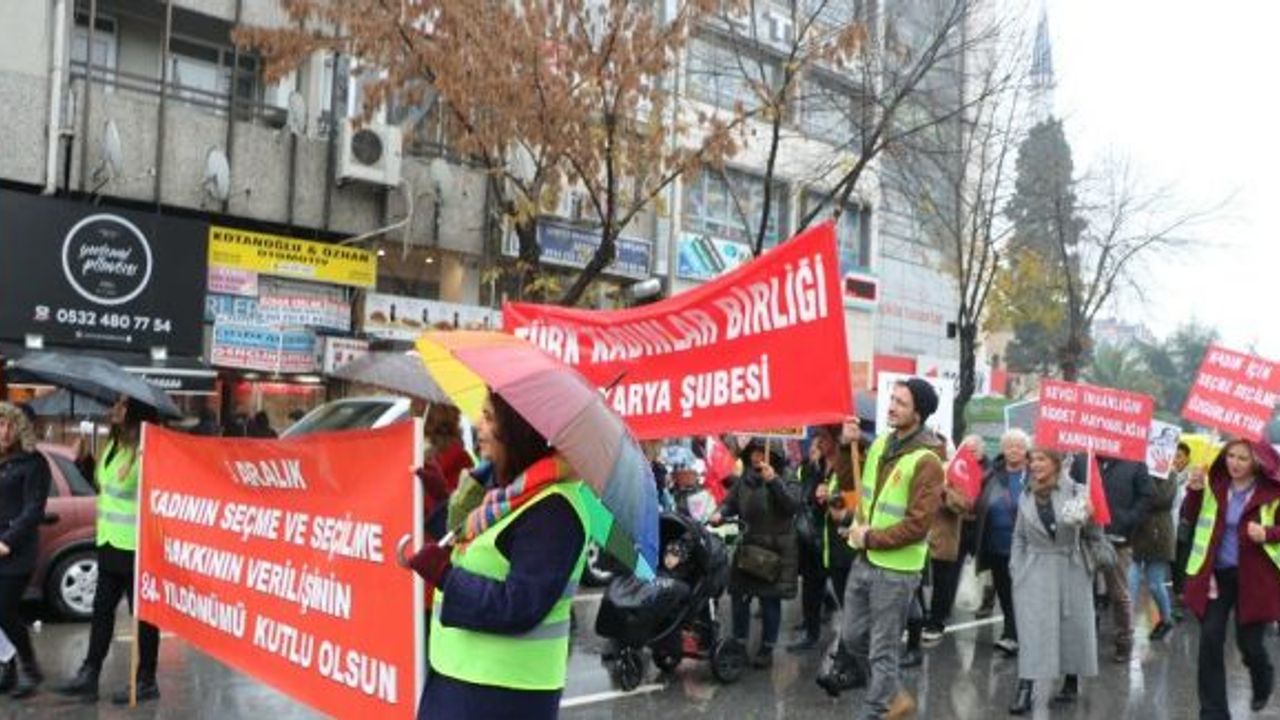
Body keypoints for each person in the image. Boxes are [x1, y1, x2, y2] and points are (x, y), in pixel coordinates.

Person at [404, 392, 590, 720]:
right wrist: (439, 505)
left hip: (500, 697)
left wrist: (444, 575)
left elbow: (519, 605)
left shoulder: (554, 510)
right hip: (463, 683)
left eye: (490, 418)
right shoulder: (512, 494)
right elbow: (475, 550)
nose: (479, 426)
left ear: (519, 430)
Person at [818, 378, 943, 719]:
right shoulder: (881, 444)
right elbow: (847, 485)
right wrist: (846, 446)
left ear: (918, 414)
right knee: (854, 637)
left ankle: (875, 711)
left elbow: (918, 526)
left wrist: (869, 537)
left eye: (901, 403)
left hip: (897, 569)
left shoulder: (927, 460)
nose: (891, 406)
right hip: (865, 558)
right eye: (892, 399)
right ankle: (895, 695)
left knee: (882, 649)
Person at [57, 396, 163, 704]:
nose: (113, 410)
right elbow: (104, 488)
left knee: (143, 617)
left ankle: (146, 680)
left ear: (135, 413)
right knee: (101, 612)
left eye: (120, 405)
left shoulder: (147, 451)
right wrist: (84, 461)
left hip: (136, 547)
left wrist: (147, 464)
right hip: (108, 544)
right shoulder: (113, 447)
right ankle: (90, 673)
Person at [1182, 439, 1280, 719]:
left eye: (1242, 459)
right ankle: (1213, 711)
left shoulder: (1273, 492)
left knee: (1249, 644)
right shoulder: (1216, 485)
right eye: (1231, 456)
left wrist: (1267, 533)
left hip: (1256, 579)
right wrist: (1194, 490)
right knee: (1210, 640)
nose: (1234, 463)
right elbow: (1190, 515)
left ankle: (1263, 676)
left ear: (1257, 463)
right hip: (1217, 575)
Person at [1008, 447, 1099, 715]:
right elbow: (1019, 537)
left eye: (1041, 459)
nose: (1034, 465)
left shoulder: (1078, 491)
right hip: (1034, 569)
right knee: (1032, 629)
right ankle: (1025, 686)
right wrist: (1017, 566)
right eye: (1032, 459)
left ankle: (1071, 678)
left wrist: (1090, 515)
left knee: (1070, 627)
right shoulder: (1026, 493)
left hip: (1070, 568)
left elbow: (1095, 535)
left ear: (1057, 463)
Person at [711, 438, 799, 669]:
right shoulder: (745, 479)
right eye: (754, 452)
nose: (757, 457)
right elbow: (730, 502)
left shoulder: (787, 476)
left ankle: (767, 647)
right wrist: (720, 513)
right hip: (748, 547)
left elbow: (793, 506)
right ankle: (739, 642)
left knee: (770, 600)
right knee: (738, 596)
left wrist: (774, 482)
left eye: (762, 452)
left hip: (774, 549)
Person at [0, 403, 52, 699]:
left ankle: (30, 669)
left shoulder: (34, 463)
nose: (4, 432)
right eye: (0, 424)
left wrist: (7, 540)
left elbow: (33, 510)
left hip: (16, 552)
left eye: (10, 425)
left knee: (5, 611)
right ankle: (8, 669)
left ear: (21, 428)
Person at [792, 423, 856, 652]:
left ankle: (849, 646)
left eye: (823, 437)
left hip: (839, 541)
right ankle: (811, 633)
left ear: (836, 439)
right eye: (818, 437)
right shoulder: (813, 465)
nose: (818, 441)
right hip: (813, 538)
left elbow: (855, 504)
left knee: (845, 595)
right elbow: (804, 494)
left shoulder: (849, 464)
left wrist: (833, 497)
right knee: (810, 588)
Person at [974, 428, 1030, 657]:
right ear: (1003, 449)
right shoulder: (991, 475)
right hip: (996, 544)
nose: (1014, 450)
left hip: (1026, 547)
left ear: (1026, 450)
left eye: (1019, 446)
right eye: (1009, 446)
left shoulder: (1035, 474)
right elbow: (977, 500)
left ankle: (1017, 634)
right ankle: (1011, 633)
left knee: (1023, 593)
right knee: (1005, 592)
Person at [1091, 456, 1153, 663]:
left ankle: (1124, 642)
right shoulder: (1085, 459)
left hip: (1118, 537)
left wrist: (1127, 518)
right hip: (1086, 536)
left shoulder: (1134, 463)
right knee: (1083, 593)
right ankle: (1086, 637)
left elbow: (1147, 497)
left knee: (1119, 593)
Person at [924, 435, 980, 644]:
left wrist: (945, 491)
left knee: (942, 582)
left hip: (944, 536)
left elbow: (964, 505)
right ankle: (920, 618)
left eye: (937, 445)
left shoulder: (955, 472)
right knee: (916, 583)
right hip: (919, 536)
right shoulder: (922, 469)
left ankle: (936, 622)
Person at [1130, 455, 1178, 641]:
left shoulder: (1170, 473)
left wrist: (1147, 481)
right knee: (1130, 582)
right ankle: (1127, 625)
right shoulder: (1138, 467)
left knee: (1155, 583)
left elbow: (1161, 499)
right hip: (1136, 531)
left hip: (1159, 534)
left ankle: (1166, 619)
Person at [1170, 442, 1194, 611]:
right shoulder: (1168, 476)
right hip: (1170, 525)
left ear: (1187, 458)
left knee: (1183, 561)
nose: (1175, 460)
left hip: (1186, 526)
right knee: (1173, 561)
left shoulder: (1192, 478)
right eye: (1173, 456)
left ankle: (1183, 595)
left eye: (1179, 456)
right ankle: (1179, 592)